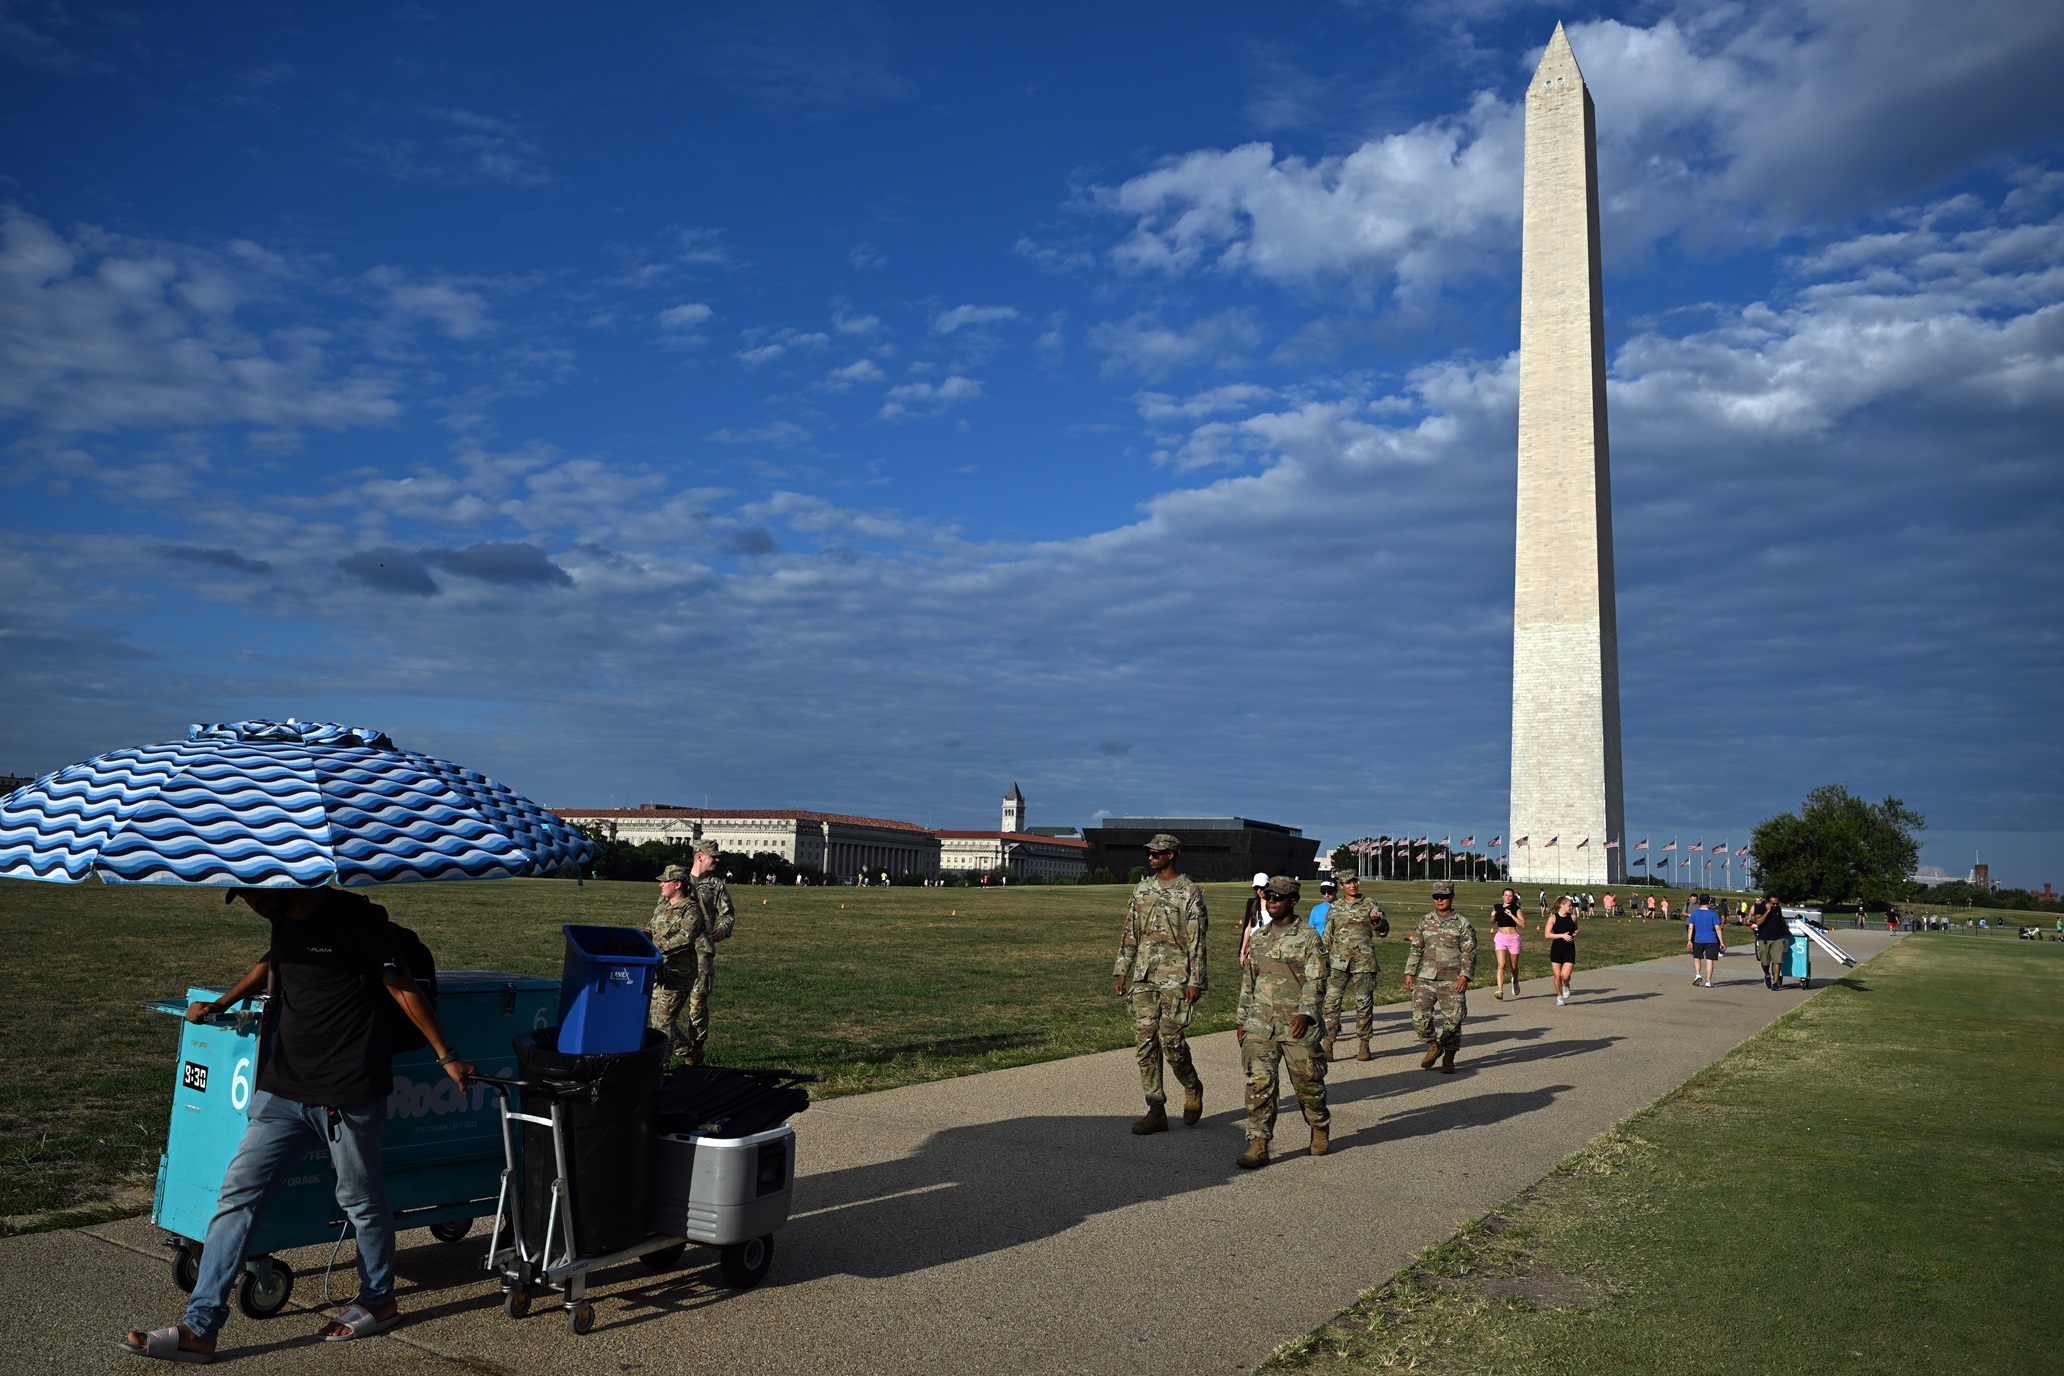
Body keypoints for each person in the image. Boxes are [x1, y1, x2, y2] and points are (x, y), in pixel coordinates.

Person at [122, 887, 475, 1363]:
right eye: (242, 896)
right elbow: (272, 962)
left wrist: (447, 1055)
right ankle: (199, 1328)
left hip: (348, 1089)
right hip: (282, 1087)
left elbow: (402, 986)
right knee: (237, 1197)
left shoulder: (359, 921)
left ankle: (378, 1300)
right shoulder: (282, 918)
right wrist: (224, 1001)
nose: (250, 902)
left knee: (360, 1199)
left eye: (254, 892)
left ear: (289, 878)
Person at [1113, 834, 1208, 1135]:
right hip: (1144, 976)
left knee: (1172, 1042)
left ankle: (1192, 1086)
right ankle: (1156, 1109)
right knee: (1144, 1043)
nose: (1151, 856)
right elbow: (1130, 932)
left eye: (1158, 852)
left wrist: (1195, 979)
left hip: (1176, 977)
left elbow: (1197, 942)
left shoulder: (1189, 892)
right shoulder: (1142, 889)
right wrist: (1122, 970)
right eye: (1149, 852)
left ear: (1172, 855)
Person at [1234, 876, 1329, 1168]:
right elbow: (1249, 981)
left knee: (1308, 1084)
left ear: (1293, 901)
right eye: (1269, 896)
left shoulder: (1309, 937)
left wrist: (1306, 1013)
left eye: (1279, 896)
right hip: (1260, 1023)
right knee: (1259, 1083)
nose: (1272, 900)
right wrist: (1242, 1018)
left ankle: (1318, 1125)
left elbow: (1318, 980)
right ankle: (1259, 1143)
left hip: (1297, 1023)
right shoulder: (1259, 937)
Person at [1405, 880, 1477, 1074]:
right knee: (1419, 1018)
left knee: (1453, 1021)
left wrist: (1465, 976)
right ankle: (1432, 1046)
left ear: (1452, 897)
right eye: (1436, 896)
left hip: (1453, 979)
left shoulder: (1462, 924)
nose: (1439, 900)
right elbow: (1416, 948)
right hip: (1426, 978)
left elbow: (1469, 952)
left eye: (1443, 896)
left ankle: (1449, 1056)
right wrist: (1410, 972)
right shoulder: (1424, 921)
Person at [1318, 869, 1387, 1061]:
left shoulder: (1370, 904)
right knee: (1331, 1002)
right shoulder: (1335, 907)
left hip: (1363, 962)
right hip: (1338, 962)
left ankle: (1364, 1044)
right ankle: (1328, 1043)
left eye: (1355, 881)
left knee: (1363, 1004)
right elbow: (1327, 935)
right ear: (1341, 886)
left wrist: (1377, 922)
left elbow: (1384, 931)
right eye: (1348, 883)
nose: (1352, 885)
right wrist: (1323, 959)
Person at [1490, 886, 1526, 1000]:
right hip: (1500, 937)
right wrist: (1493, 916)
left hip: (1513, 938)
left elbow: (1523, 924)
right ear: (1502, 896)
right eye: (1506, 895)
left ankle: (1515, 980)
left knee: (1514, 966)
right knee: (1501, 965)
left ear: (1513, 897)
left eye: (1510, 896)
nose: (1508, 897)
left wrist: (1512, 915)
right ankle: (1500, 990)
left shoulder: (1516, 908)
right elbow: (1492, 922)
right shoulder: (1497, 907)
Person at [1752, 895, 1791, 990]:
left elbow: (1780, 919)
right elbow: (1758, 922)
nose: (1775, 905)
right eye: (1773, 903)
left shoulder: (1778, 909)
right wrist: (1768, 911)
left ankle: (1775, 983)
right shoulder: (1760, 907)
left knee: (1777, 961)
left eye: (1777, 903)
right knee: (1765, 962)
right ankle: (1767, 974)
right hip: (1764, 938)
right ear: (1768, 902)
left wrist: (1785, 928)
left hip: (1777, 938)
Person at [1545, 895, 1579, 1004]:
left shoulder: (1573, 917)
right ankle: (1559, 997)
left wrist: (1576, 933)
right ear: (1562, 905)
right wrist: (1561, 935)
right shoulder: (1553, 918)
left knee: (1565, 975)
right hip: (1557, 949)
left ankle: (1566, 985)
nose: (1571, 908)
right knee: (1557, 976)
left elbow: (1576, 929)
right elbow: (1547, 935)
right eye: (1569, 906)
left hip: (1569, 948)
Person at [1687, 893, 1724, 987]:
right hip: (1711, 940)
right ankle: (1708, 981)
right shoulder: (1713, 914)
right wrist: (1721, 942)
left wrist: (1689, 940)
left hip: (1698, 939)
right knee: (1709, 960)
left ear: (1699, 901)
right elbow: (1718, 929)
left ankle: (1697, 975)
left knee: (1697, 957)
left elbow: (1691, 928)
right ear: (1709, 902)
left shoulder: (1695, 914)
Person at [1238, 870, 1269, 968]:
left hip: (1269, 948)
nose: (1259, 890)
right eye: (1256, 888)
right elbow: (1248, 928)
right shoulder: (1252, 903)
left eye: (1262, 887)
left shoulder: (1275, 904)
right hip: (1253, 947)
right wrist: (1242, 952)